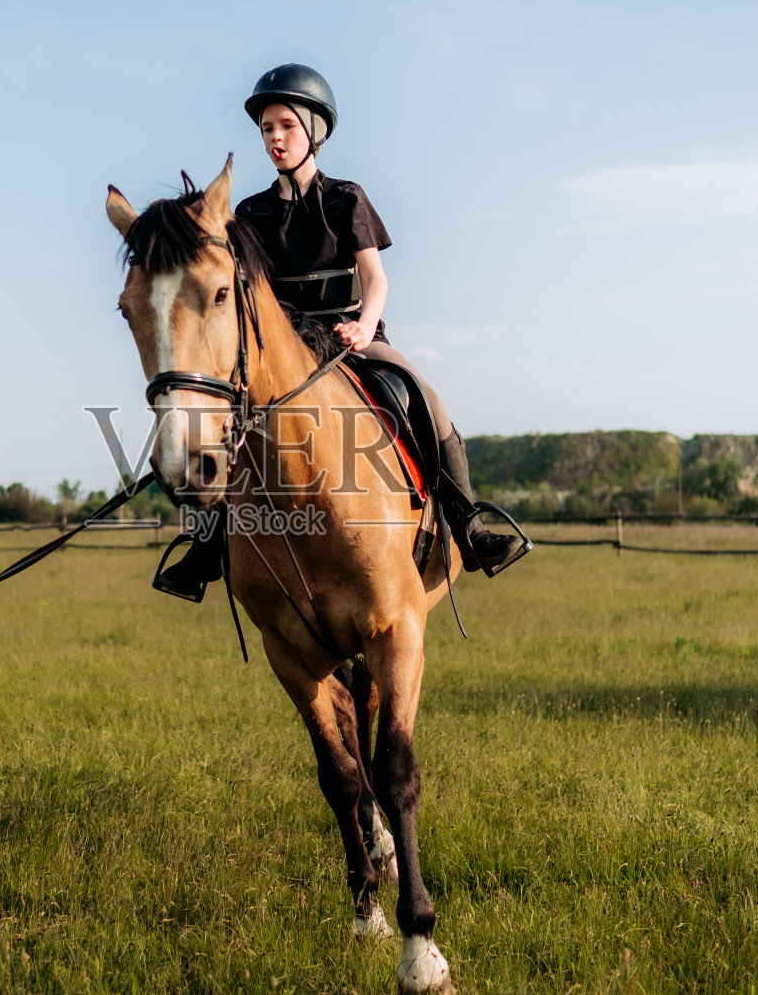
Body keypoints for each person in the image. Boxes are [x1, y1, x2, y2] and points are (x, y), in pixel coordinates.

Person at [155, 63, 527, 600]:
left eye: (285, 125)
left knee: (427, 398)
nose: (275, 138)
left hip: (350, 336)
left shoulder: (346, 198)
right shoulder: (251, 212)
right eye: (266, 129)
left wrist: (365, 325)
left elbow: (376, 279)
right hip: (281, 350)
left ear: (314, 130)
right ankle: (207, 548)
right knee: (230, 427)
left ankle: (469, 530)